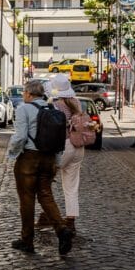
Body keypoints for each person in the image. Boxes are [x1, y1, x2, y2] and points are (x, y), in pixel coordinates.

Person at [6, 78, 73, 256]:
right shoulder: (54, 109)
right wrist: (57, 163)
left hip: (29, 158)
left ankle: (27, 240)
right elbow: (59, 140)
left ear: (28, 93)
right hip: (49, 159)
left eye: (24, 93)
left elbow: (20, 137)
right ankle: (62, 229)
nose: (23, 96)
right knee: (46, 196)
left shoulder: (23, 109)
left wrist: (11, 155)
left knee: (27, 199)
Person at [47, 74, 92, 237]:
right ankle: (71, 222)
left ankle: (48, 216)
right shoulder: (76, 102)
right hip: (78, 146)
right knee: (71, 187)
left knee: (45, 181)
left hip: (64, 145)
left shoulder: (55, 104)